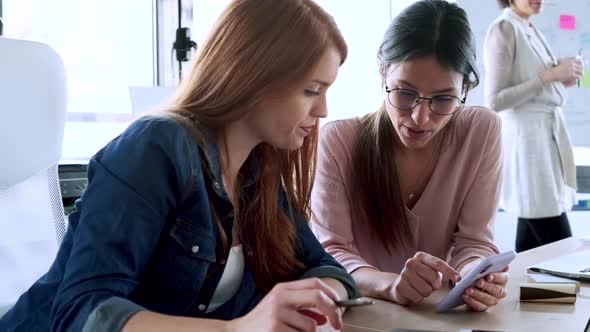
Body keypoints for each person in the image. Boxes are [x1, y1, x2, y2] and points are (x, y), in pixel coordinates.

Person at [0, 1, 356, 331]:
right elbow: (82, 311)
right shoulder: (155, 148)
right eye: (312, 90)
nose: (323, 110)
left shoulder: (257, 171)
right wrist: (237, 329)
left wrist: (322, 298)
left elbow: (325, 267)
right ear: (255, 78)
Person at [311, 0, 508, 312]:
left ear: (466, 88)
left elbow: (474, 242)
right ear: (382, 72)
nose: (420, 117)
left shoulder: (480, 131)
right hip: (364, 316)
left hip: (436, 317)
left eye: (443, 99)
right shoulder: (338, 141)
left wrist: (476, 274)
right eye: (405, 93)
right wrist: (390, 284)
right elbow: (332, 252)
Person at [484, 0, 585, 252]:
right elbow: (495, 100)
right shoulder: (504, 29)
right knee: (558, 240)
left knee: (531, 238)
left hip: (543, 139)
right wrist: (550, 76)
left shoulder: (529, 27)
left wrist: (563, 75)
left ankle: (519, 288)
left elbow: (536, 84)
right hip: (528, 145)